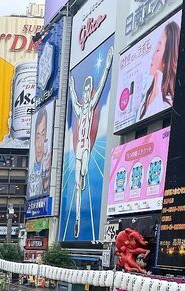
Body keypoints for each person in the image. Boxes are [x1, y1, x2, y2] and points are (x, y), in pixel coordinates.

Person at [69, 46, 114, 239]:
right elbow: (72, 98)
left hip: (86, 146)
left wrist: (106, 67)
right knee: (78, 183)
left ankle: (81, 216)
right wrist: (71, 85)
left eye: (88, 89)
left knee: (83, 175)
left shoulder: (89, 107)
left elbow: (103, 84)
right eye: (85, 89)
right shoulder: (79, 110)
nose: (86, 92)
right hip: (79, 147)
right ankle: (78, 217)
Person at [138, 21, 180, 121]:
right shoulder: (148, 93)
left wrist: (157, 94)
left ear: (167, 58)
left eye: (157, 50)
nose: (152, 56)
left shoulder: (167, 103)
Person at [28, 107, 51, 199]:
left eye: (43, 135)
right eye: (37, 137)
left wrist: (45, 185)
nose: (40, 144)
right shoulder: (31, 171)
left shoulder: (49, 165)